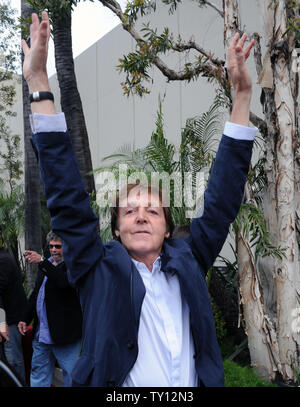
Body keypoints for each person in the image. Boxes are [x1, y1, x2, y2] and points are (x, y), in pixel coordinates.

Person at [21, 12, 256, 386]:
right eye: (130, 211)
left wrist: (242, 96)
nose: (142, 216)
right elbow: (66, 197)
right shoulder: (98, 270)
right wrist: (38, 81)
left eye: (152, 210)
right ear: (116, 229)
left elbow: (222, 200)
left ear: (167, 227)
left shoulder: (189, 260)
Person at [18, 231, 82, 387]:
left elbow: (63, 281)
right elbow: (36, 295)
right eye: (51, 246)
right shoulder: (47, 265)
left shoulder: (74, 265)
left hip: (66, 337)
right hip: (42, 336)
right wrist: (25, 318)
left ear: (67, 247)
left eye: (58, 247)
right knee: (39, 376)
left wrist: (42, 261)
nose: (53, 250)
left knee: (72, 378)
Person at [0, 246, 28, 384]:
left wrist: (1, 323)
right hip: (6, 321)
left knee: (13, 365)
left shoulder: (3, 261)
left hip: (9, 323)